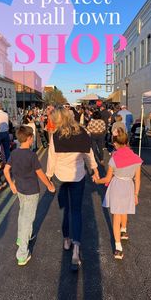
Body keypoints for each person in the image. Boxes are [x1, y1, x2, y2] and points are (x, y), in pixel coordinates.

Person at [46, 108, 99, 271]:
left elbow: (52, 157)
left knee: (66, 209)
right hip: (78, 176)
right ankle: (76, 248)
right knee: (76, 210)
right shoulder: (82, 133)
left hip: (61, 177)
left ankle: (67, 239)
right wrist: (94, 169)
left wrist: (49, 176)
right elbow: (88, 154)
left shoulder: (56, 135)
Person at [4, 126, 55, 266]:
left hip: (20, 189)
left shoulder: (14, 153)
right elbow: (40, 174)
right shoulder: (32, 155)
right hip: (32, 191)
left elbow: (6, 169)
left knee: (22, 213)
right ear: (29, 138)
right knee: (28, 218)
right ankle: (22, 254)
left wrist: (11, 184)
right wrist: (50, 186)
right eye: (32, 137)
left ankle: (21, 237)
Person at [93, 128, 142, 260]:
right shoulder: (136, 158)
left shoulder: (114, 160)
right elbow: (137, 179)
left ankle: (118, 247)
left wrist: (97, 181)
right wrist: (136, 194)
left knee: (116, 217)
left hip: (117, 186)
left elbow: (108, 179)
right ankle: (124, 230)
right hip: (129, 187)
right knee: (124, 210)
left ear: (116, 144)